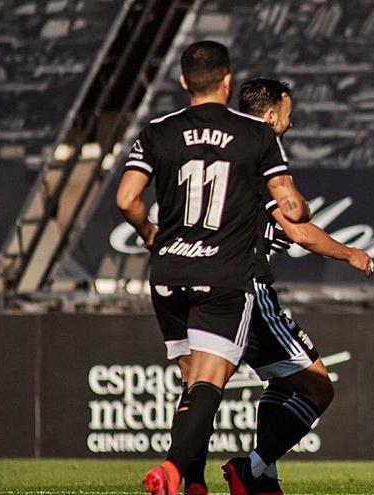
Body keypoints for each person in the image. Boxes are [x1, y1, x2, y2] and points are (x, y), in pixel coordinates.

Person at [116, 40, 312, 495]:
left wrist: (149, 231)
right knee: (208, 380)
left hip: (168, 273)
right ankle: (171, 469)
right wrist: (296, 205)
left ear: (184, 81)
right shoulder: (255, 135)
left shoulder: (158, 130)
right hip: (223, 275)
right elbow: (291, 207)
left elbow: (126, 199)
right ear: (227, 81)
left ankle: (196, 483)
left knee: (190, 381)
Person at [176, 77, 373, 495]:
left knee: (227, 384)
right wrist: (349, 253)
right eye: (287, 110)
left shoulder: (217, 147)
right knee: (318, 385)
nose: (291, 118)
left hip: (194, 281)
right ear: (270, 115)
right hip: (247, 287)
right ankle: (255, 466)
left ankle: (229, 477)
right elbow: (297, 230)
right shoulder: (260, 149)